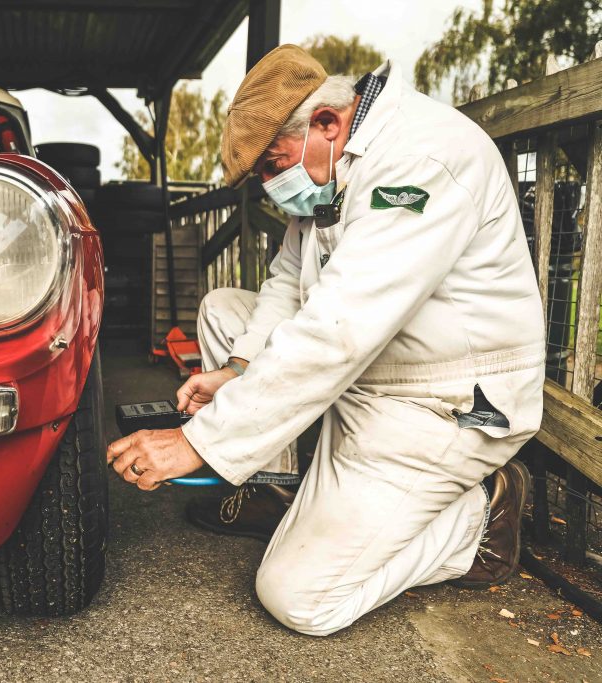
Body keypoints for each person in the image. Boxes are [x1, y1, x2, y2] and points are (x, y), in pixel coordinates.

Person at [105, 44, 546, 636]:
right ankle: (276, 490)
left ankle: (480, 516)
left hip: (444, 403)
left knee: (297, 597)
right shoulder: (328, 165)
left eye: (271, 164)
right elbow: (289, 282)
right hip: (373, 374)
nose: (270, 185)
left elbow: (339, 330)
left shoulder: (421, 160)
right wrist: (237, 370)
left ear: (327, 122)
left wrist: (200, 443)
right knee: (223, 309)